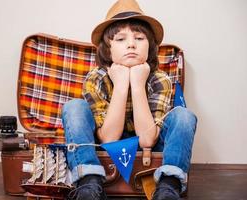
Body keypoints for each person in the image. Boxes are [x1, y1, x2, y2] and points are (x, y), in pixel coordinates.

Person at [61, 0, 197, 199]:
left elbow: (148, 139)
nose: (131, 44)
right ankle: (89, 182)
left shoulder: (161, 79)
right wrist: (122, 86)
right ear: (108, 50)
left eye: (139, 38)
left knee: (184, 115)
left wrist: (138, 85)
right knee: (74, 107)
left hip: (150, 144)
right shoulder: (96, 78)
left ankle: (169, 186)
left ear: (149, 47)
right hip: (102, 146)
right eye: (121, 39)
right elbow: (108, 138)